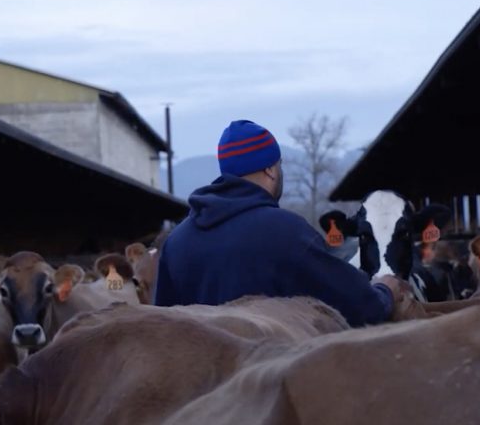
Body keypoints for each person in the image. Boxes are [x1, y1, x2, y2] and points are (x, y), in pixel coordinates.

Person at [153, 119, 399, 327]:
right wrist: (385, 291)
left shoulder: (177, 242)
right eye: (280, 166)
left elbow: (163, 326)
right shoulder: (287, 233)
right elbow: (362, 308)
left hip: (206, 382)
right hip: (269, 380)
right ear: (271, 169)